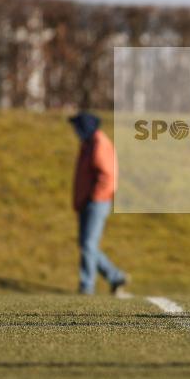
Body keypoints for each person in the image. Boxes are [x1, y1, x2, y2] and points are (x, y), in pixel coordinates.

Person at [69, 112, 130, 298]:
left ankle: (87, 286)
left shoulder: (99, 144)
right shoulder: (88, 144)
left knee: (88, 244)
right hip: (87, 202)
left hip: (97, 202)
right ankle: (115, 276)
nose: (75, 131)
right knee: (87, 244)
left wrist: (94, 197)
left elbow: (108, 176)